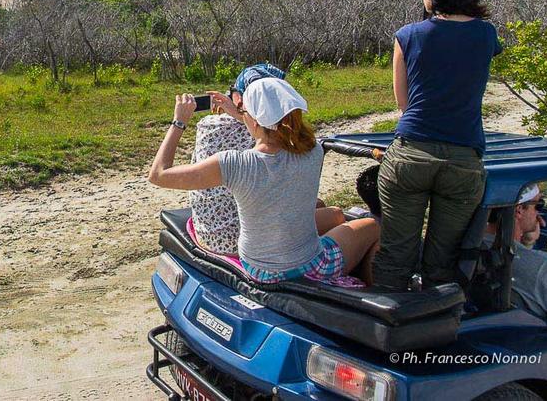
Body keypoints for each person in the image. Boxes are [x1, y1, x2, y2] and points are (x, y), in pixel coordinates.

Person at [149, 77, 380, 285]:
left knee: (332, 215)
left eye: (243, 111)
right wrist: (241, 113)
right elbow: (274, 131)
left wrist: (179, 121)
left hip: (258, 269)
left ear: (255, 121)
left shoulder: (234, 164)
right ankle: (376, 293)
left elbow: (158, 174)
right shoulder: (313, 151)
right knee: (372, 225)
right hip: (310, 267)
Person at [373, 0, 503, 290]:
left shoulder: (409, 35)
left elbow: (404, 103)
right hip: (463, 161)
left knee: (395, 256)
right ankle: (438, 328)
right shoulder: (487, 35)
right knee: (443, 261)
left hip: (411, 153)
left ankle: (387, 331)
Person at [189, 63, 344, 255]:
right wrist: (240, 114)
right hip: (247, 236)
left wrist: (237, 113)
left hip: (209, 232)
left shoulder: (208, 125)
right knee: (336, 215)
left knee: (318, 204)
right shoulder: (281, 138)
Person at [486, 185, 547, 328]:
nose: (539, 215)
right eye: (538, 205)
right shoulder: (545, 266)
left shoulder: (470, 246)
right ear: (519, 210)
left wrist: (527, 245)